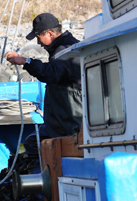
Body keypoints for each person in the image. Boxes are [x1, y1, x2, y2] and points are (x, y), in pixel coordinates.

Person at [5, 13, 82, 172]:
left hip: (68, 124)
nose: (38, 42)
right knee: (33, 142)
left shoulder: (66, 52)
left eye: (39, 37)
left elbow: (50, 73)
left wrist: (25, 61)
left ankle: (43, 186)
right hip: (60, 120)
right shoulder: (65, 48)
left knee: (36, 144)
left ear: (50, 34)